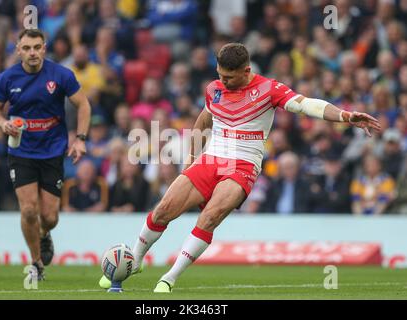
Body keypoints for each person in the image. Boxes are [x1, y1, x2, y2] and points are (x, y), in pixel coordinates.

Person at [99, 43, 381, 292]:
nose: (222, 81)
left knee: (209, 217)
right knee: (163, 209)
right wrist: (190, 162)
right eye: (220, 75)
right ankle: (134, 260)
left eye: (229, 77)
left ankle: (169, 279)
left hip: (243, 166)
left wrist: (345, 115)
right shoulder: (214, 90)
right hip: (210, 160)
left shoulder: (269, 89)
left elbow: (307, 105)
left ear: (246, 71)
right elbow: (203, 122)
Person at [0, 29, 91, 280]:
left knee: (50, 217)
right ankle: (36, 264)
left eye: (36, 47)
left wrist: (80, 139)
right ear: (18, 50)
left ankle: (45, 234)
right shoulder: (7, 78)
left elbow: (84, 105)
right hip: (21, 151)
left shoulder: (61, 75)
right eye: (26, 48)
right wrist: (2, 124)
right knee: (28, 210)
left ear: (44, 48)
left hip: (53, 151)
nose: (32, 52)